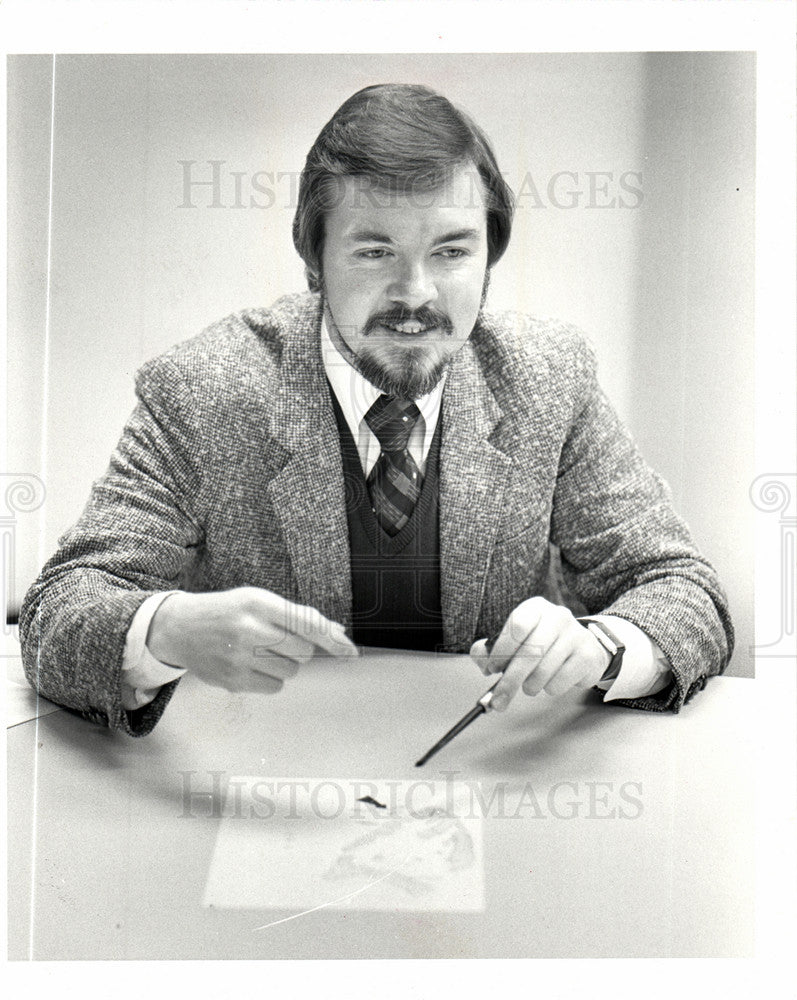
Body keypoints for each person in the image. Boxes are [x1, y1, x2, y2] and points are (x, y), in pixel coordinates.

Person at [20, 84, 733, 736]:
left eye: (451, 251)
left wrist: (599, 646)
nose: (416, 293)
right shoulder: (202, 391)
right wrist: (165, 629)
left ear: (488, 257)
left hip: (484, 783)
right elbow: (58, 613)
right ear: (314, 259)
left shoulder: (548, 378)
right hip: (261, 783)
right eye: (374, 251)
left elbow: (682, 590)